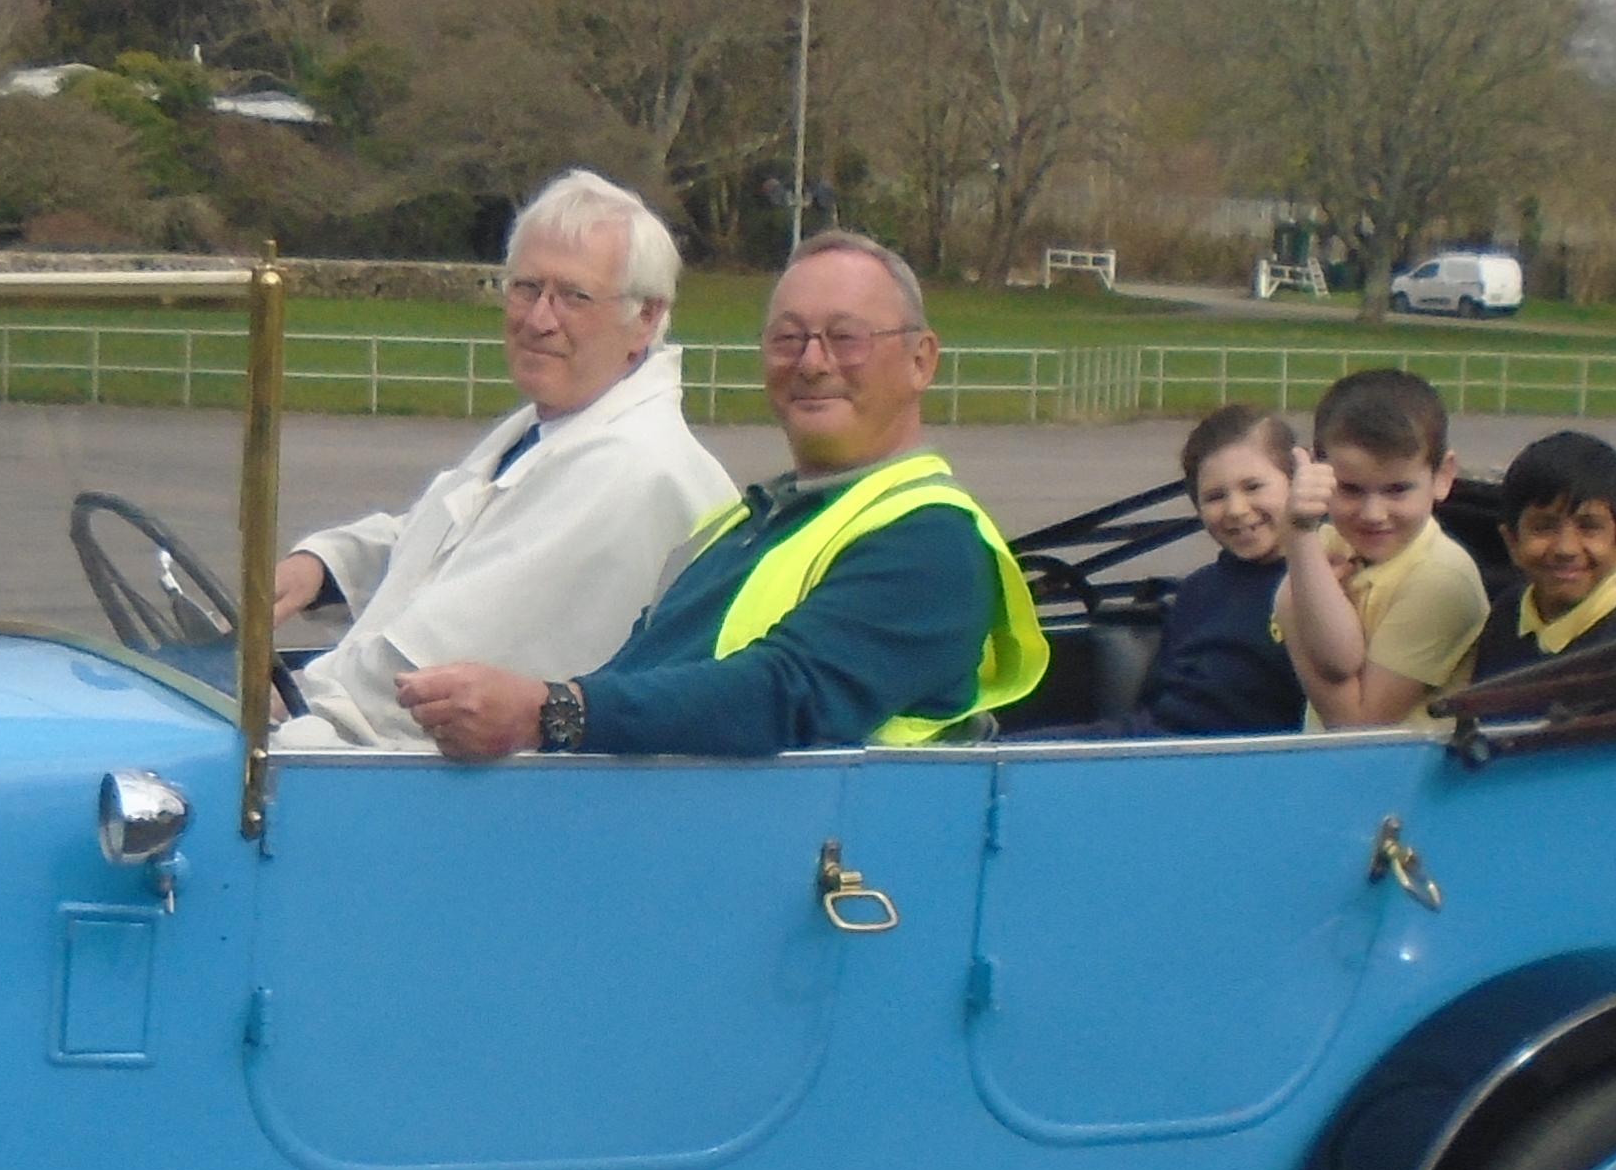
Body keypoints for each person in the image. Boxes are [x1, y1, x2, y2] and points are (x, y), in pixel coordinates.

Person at [394, 231, 1049, 758]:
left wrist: (549, 713)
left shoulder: (931, 542)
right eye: (788, 338)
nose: (812, 362)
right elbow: (643, 679)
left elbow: (781, 694)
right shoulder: (743, 522)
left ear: (921, 361)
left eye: (845, 338)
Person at [265, 172, 740, 753]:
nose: (540, 320)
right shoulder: (554, 428)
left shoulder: (632, 468)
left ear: (645, 318)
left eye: (574, 296)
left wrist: (284, 698)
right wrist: (326, 566)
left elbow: (426, 667)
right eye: (526, 288)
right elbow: (447, 539)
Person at [1037, 404, 1308, 739]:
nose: (1236, 509)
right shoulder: (1199, 589)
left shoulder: (1319, 586)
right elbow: (1153, 706)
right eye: (1215, 497)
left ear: (1297, 482)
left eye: (1253, 487)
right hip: (1155, 745)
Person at [1277, 365, 1488, 732]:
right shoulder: (1327, 541)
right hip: (1330, 760)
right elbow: (1340, 660)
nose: (1373, 514)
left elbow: (1359, 729)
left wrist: (1292, 608)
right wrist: (1302, 541)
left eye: (1397, 490)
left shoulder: (1441, 579)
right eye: (1350, 489)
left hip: (1404, 766)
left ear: (1442, 476)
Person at [1467, 426, 1616, 674]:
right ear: (1512, 541)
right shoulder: (1506, 615)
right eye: (1544, 527)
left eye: (1589, 527)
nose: (1565, 548)